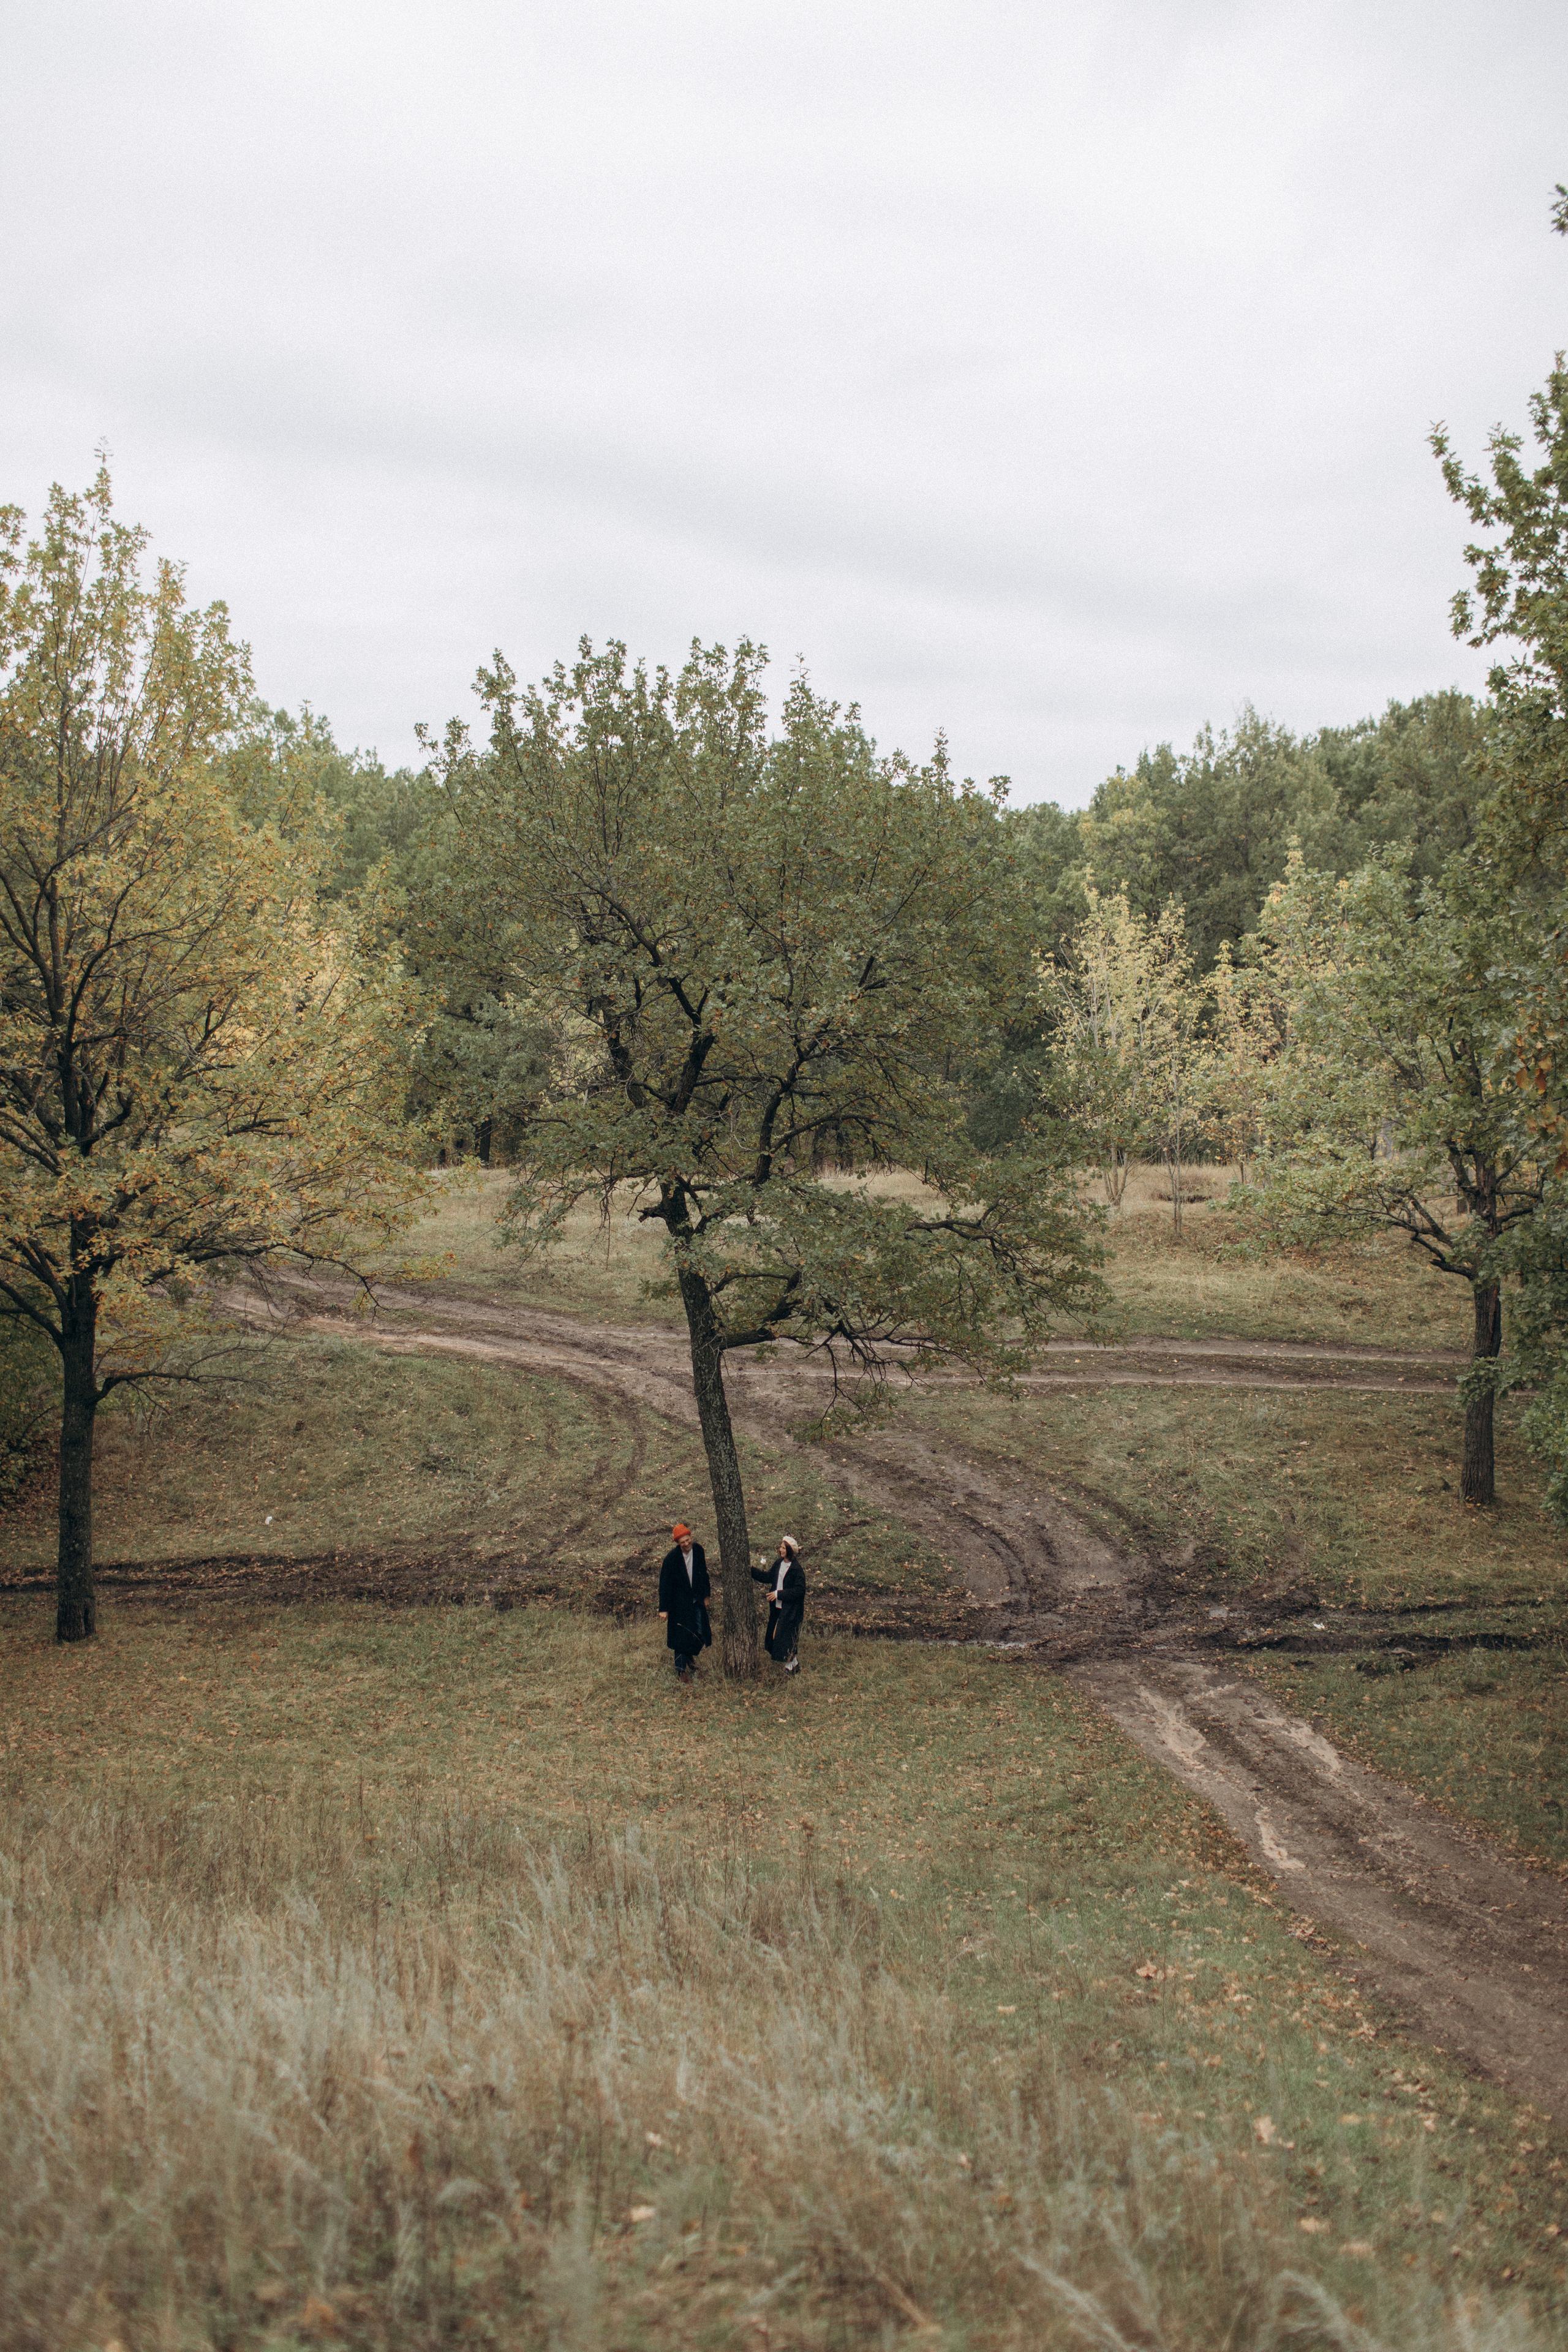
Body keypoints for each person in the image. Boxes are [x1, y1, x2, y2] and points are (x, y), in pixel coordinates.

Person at [658, 1522, 712, 1682]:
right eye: (683, 1543)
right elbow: (665, 1585)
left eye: (688, 1540)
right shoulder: (672, 1559)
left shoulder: (699, 1551)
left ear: (691, 1537)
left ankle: (689, 1656)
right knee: (681, 1635)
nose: (687, 1544)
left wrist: (706, 1595)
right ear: (678, 1544)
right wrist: (664, 1609)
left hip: (696, 1600)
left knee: (701, 1632)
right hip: (679, 1604)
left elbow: (704, 1574)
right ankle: (681, 1671)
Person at [752, 1534, 805, 1673]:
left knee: (782, 1638)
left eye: (783, 1548)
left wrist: (778, 1594)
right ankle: (795, 1664)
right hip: (777, 1608)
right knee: (771, 1639)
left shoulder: (796, 1570)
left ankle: (789, 1668)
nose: (780, 1550)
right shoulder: (778, 1564)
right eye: (781, 1547)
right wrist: (751, 1570)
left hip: (790, 1610)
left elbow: (799, 1591)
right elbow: (768, 1577)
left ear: (789, 1550)